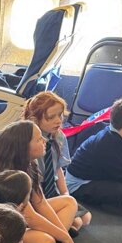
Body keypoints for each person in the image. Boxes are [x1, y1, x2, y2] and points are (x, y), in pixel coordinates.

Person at [0, 121, 77, 243]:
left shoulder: (30, 164)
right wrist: (64, 236)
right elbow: (31, 217)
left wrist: (63, 234)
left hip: (22, 217)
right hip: (4, 227)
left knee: (69, 202)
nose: (45, 140)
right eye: (39, 139)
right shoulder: (10, 175)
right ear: (23, 147)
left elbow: (41, 203)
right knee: (47, 240)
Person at [23, 91, 91, 233]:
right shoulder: (28, 139)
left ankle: (56, 228)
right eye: (51, 117)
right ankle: (56, 233)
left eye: (60, 115)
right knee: (75, 221)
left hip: (51, 188)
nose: (58, 121)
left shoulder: (59, 136)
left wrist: (65, 192)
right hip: (34, 191)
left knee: (85, 218)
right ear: (34, 119)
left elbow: (57, 168)